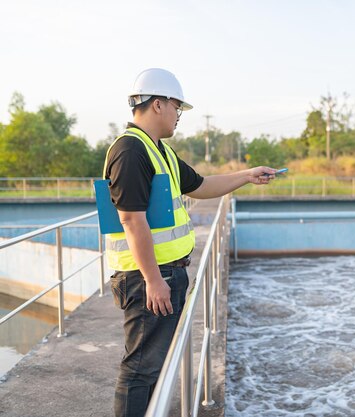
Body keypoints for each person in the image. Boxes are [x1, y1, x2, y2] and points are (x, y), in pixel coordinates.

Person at [104, 68, 276, 417]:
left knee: (153, 367)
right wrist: (153, 280)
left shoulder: (159, 151)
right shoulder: (130, 151)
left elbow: (200, 186)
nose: (178, 116)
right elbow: (131, 220)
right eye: (177, 107)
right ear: (157, 105)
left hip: (167, 274)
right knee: (139, 369)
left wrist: (246, 175)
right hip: (147, 279)